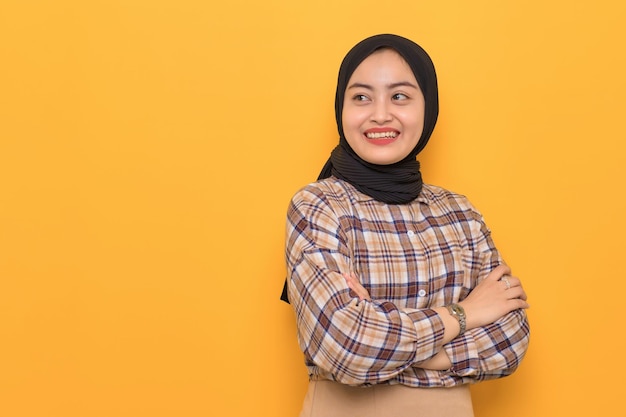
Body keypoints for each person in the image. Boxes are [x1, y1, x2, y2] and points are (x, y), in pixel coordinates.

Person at [280, 33, 530, 417]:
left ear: (427, 108)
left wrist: (384, 327)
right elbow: (347, 347)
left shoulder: (460, 213)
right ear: (341, 108)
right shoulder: (319, 204)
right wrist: (465, 314)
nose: (380, 114)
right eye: (361, 97)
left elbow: (511, 341)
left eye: (399, 96)